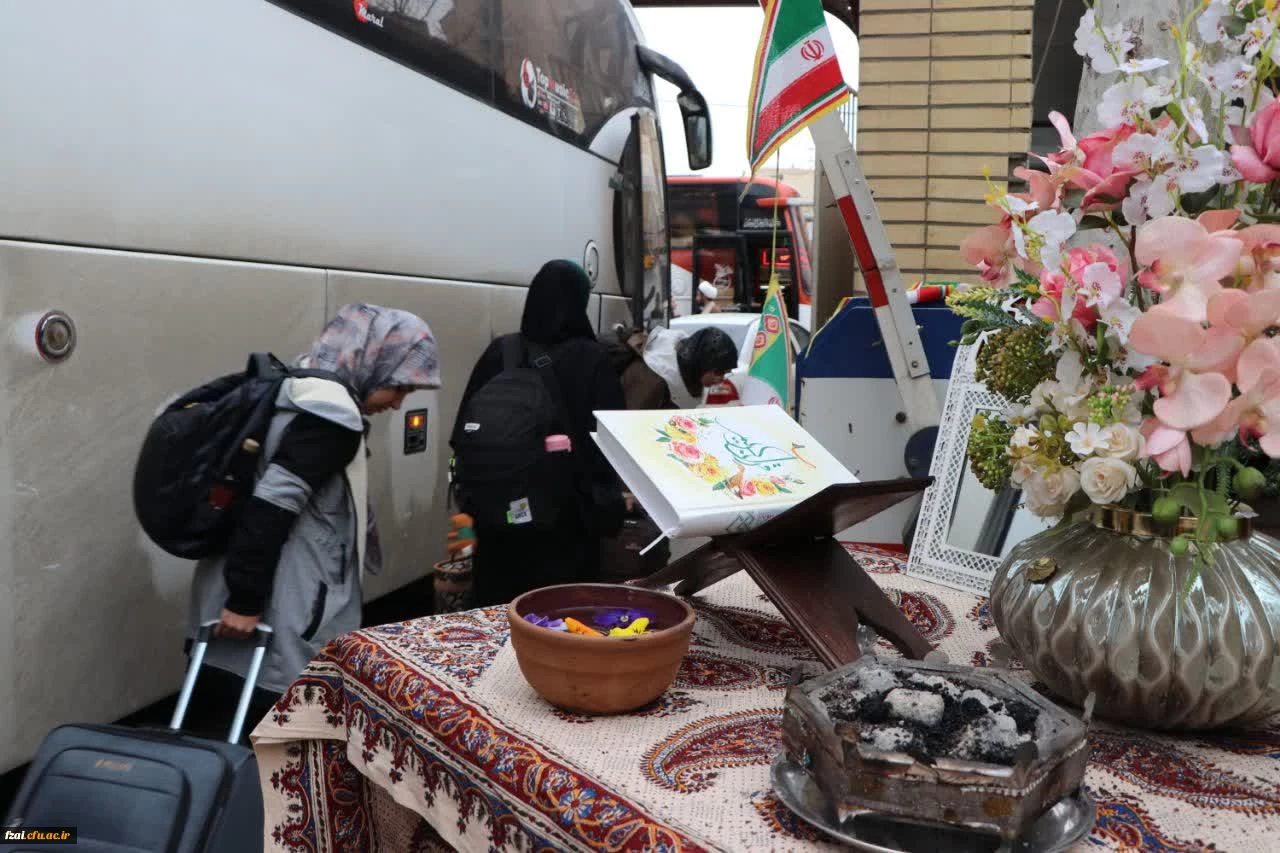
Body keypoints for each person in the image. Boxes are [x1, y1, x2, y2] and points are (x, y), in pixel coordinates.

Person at [186, 304, 441, 739]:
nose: (399, 403)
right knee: (279, 746)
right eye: (398, 386)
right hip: (286, 612)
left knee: (234, 732)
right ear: (372, 362)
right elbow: (272, 504)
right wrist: (244, 599)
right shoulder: (329, 417)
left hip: (255, 596)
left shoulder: (295, 387)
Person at [452, 260, 626, 607]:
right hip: (565, 522)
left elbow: (462, 434)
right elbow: (611, 444)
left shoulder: (501, 351)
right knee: (560, 611)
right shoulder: (591, 359)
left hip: (495, 518)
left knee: (497, 608)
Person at [609, 324, 739, 411]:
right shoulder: (654, 378)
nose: (721, 379)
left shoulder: (690, 376)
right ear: (702, 365)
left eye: (726, 373)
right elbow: (631, 425)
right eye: (718, 372)